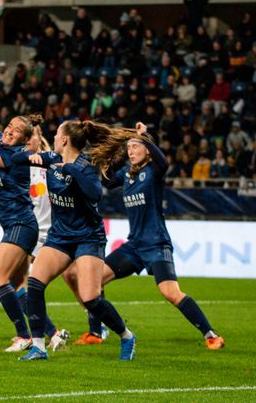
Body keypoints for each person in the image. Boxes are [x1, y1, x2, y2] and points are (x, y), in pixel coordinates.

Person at [64, 122, 225, 351]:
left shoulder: (154, 171)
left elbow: (164, 161)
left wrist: (145, 136)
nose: (131, 151)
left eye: (136, 146)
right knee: (94, 281)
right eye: (129, 147)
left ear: (147, 149)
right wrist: (106, 150)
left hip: (156, 244)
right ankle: (96, 332)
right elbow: (107, 181)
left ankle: (211, 334)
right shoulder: (128, 173)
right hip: (134, 247)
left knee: (170, 293)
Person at [11, 120, 138, 361]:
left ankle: (126, 335)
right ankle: (38, 346)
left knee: (90, 297)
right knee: (35, 284)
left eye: (57, 133)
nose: (55, 136)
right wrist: (32, 157)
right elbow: (15, 160)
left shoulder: (86, 164)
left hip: (88, 237)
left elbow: (95, 193)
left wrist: (71, 170)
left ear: (65, 139)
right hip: (60, 236)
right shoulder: (50, 158)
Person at [0, 111, 69, 352]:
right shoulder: (4, 141)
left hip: (22, 225)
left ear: (24, 140)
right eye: (9, 126)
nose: (9, 131)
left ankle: (23, 335)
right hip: (16, 225)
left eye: (16, 131)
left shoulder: (14, 155)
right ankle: (52, 333)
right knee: (19, 285)